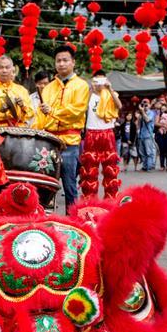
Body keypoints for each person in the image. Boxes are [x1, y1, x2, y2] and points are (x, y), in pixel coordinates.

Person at [36, 45, 89, 212]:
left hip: (70, 143)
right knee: (45, 185)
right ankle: (46, 220)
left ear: (73, 62)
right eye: (58, 60)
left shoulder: (81, 86)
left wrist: (52, 112)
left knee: (69, 186)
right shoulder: (49, 87)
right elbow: (40, 116)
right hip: (49, 142)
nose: (61, 64)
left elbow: (76, 111)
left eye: (65, 60)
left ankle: (73, 221)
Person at [80, 69, 121, 198]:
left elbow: (119, 106)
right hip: (91, 133)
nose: (99, 84)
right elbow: (82, 108)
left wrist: (110, 89)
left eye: (102, 80)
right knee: (89, 170)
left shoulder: (112, 94)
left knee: (110, 169)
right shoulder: (89, 95)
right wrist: (90, 90)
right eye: (97, 81)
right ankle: (90, 200)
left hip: (107, 133)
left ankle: (111, 198)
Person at [0, 55, 34, 127]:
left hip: (19, 130)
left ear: (12, 70)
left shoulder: (21, 90)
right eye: (1, 67)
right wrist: (0, 111)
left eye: (7, 67)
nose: (4, 70)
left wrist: (22, 106)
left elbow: (30, 115)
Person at [136, 98, 157, 172]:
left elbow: (147, 120)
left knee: (149, 152)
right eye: (143, 104)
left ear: (149, 105)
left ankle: (149, 167)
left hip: (148, 135)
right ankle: (144, 167)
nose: (145, 106)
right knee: (142, 152)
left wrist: (142, 111)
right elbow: (138, 124)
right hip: (141, 135)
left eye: (146, 105)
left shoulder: (151, 113)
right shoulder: (141, 113)